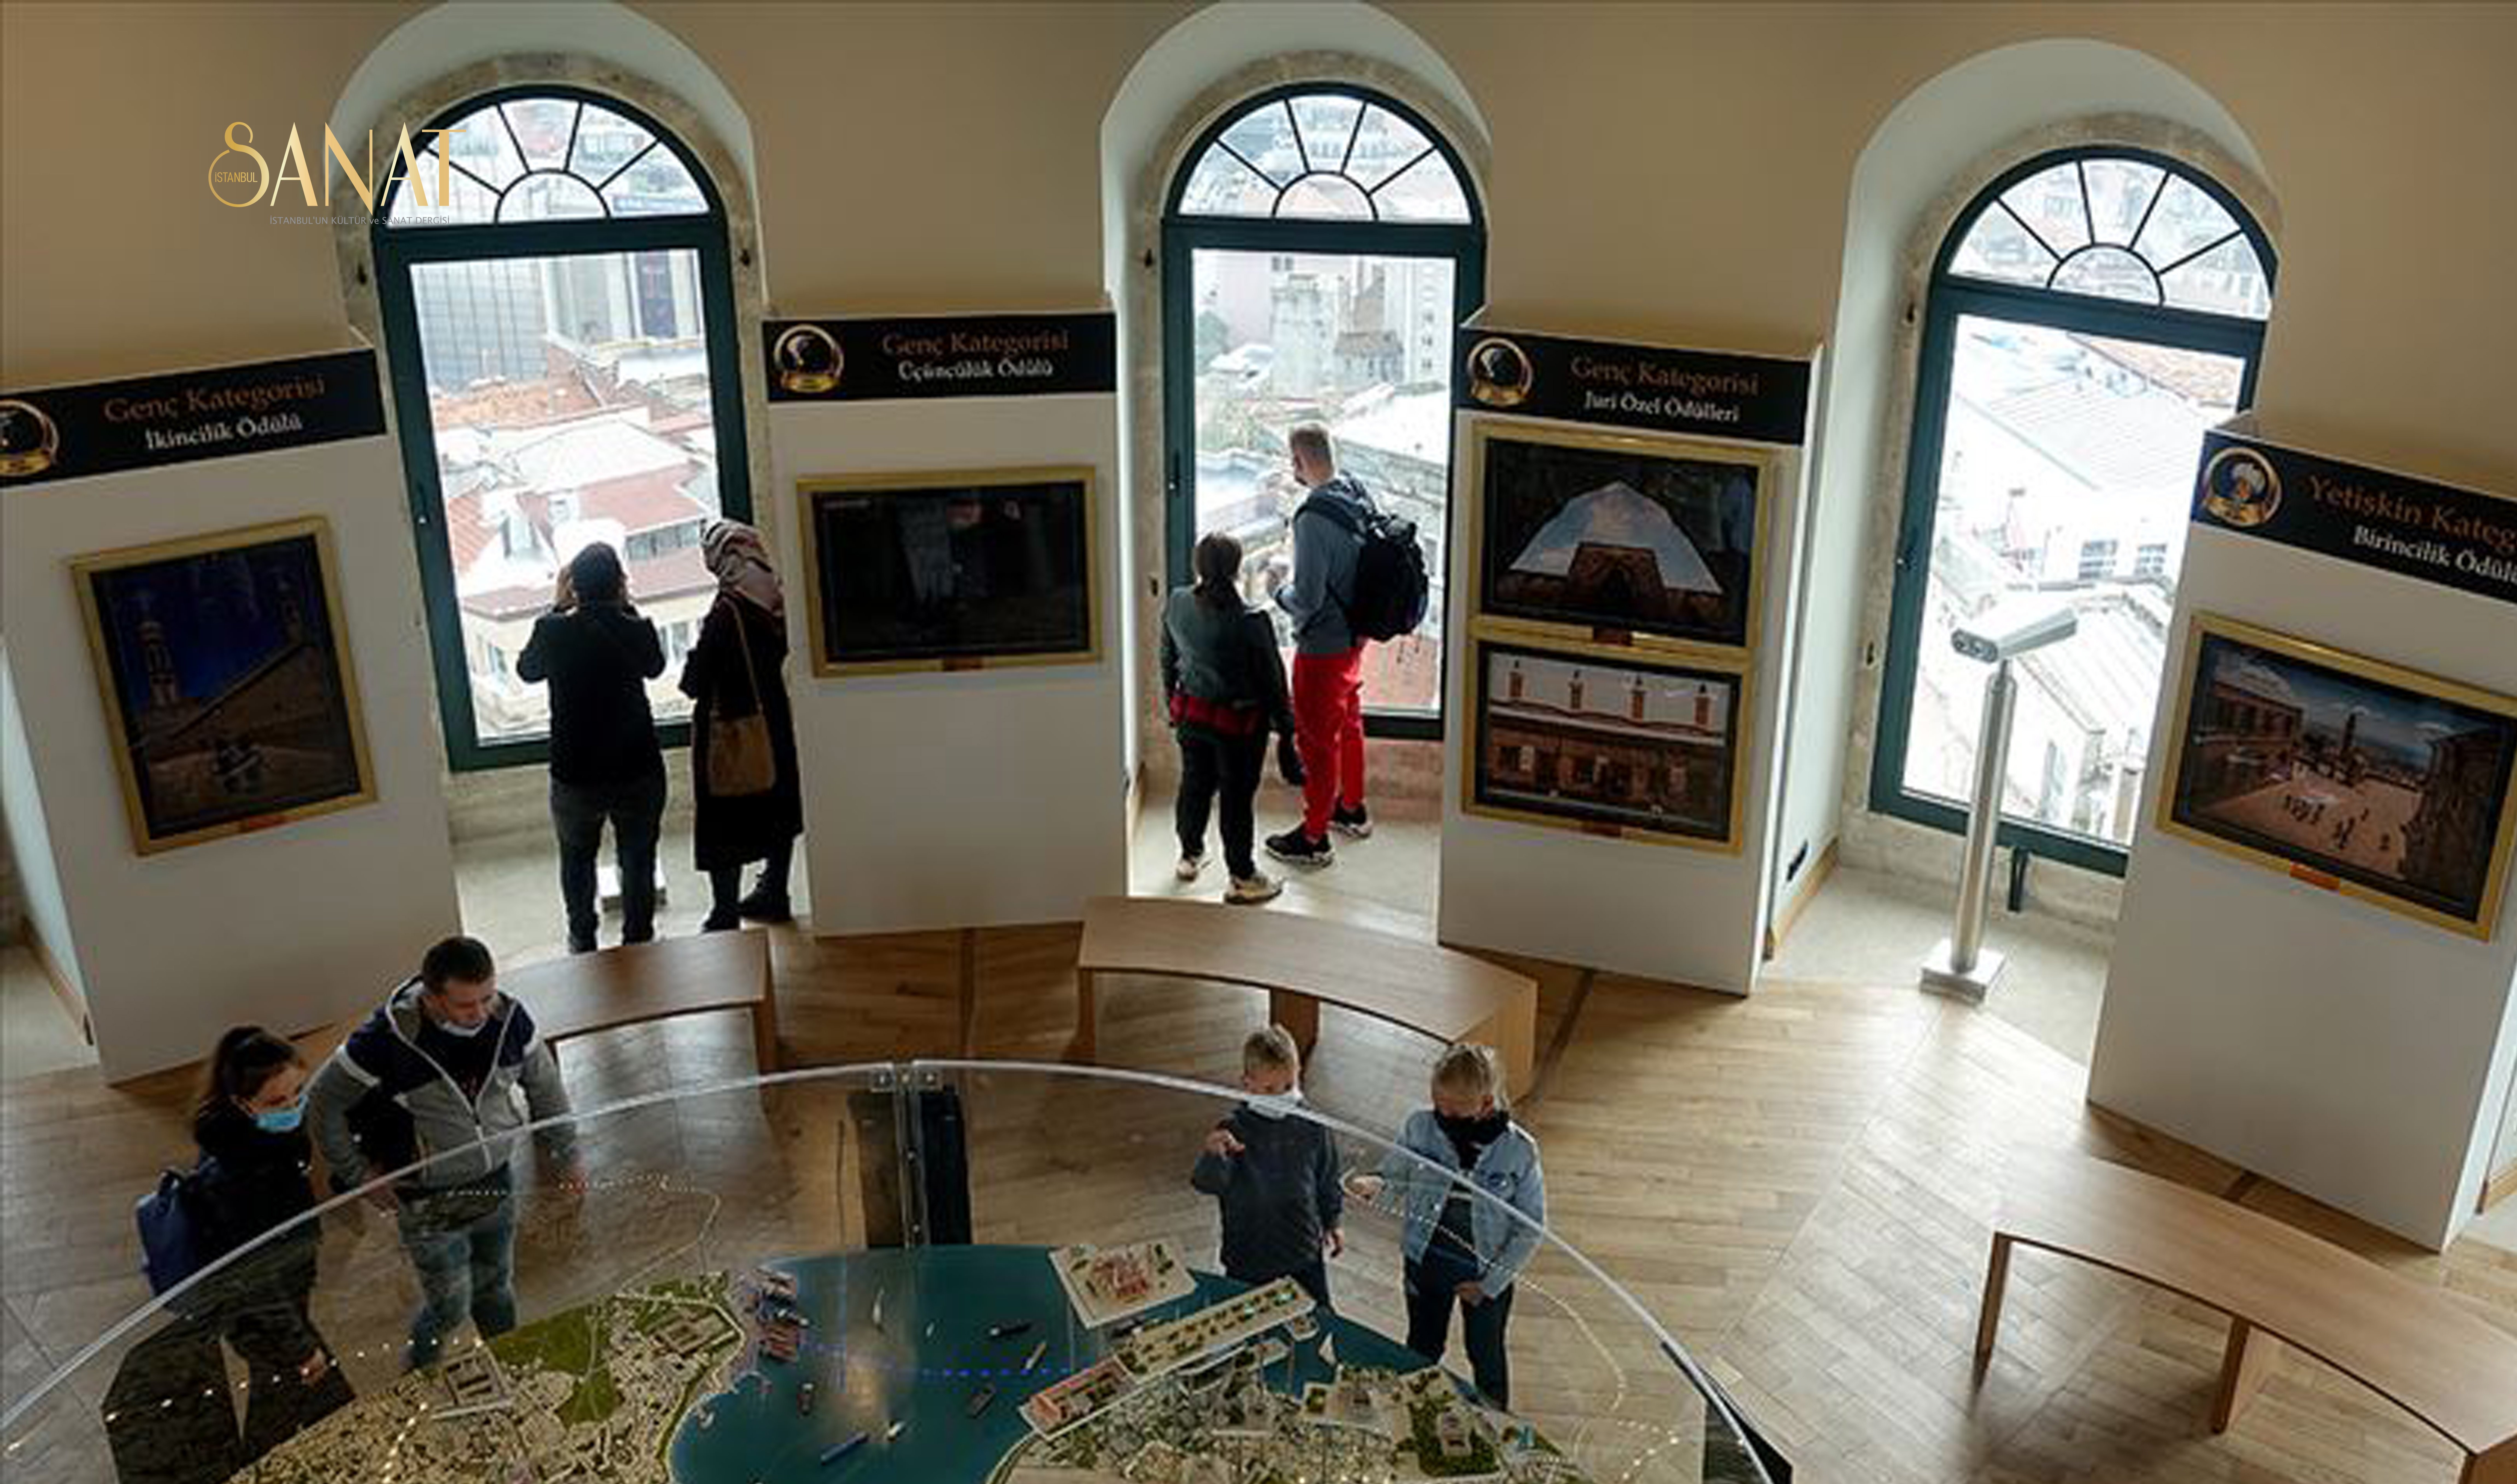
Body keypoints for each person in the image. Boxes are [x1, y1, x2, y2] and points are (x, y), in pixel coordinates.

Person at [304, 936, 581, 1370]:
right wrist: (358, 1174)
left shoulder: (510, 1020)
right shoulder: (384, 1039)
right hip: (427, 1196)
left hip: (495, 1177)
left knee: (497, 1287)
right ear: (432, 999)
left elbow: (546, 1088)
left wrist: (568, 1154)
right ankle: (418, 1375)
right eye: (466, 1005)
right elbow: (322, 1103)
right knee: (450, 1303)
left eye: (487, 997)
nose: (481, 1014)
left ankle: (513, 1368)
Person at [1344, 1043, 1545, 1409]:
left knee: (1486, 1357)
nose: (1442, 1115)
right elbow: (1395, 1177)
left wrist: (1490, 1284)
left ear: (1485, 1104)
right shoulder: (1420, 1127)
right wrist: (1375, 1186)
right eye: (1438, 1103)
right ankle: (1410, 1412)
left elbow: (1531, 1228)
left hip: (1484, 1277)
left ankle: (1496, 1423)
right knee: (1422, 1346)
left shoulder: (1520, 1152)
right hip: (1426, 1264)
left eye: (1454, 1110)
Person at [191, 1028, 354, 1460]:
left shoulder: (269, 1138)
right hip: (260, 1310)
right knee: (333, 1405)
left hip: (283, 1294)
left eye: (299, 1093)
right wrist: (302, 1346)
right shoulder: (233, 1176)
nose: (294, 1109)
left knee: (276, 1399)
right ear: (241, 1103)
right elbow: (254, 1275)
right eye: (277, 1102)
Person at [516, 542, 666, 954]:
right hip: (637, 765)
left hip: (575, 770)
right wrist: (626, 607)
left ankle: (582, 936)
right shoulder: (638, 627)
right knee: (638, 856)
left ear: (574, 587)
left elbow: (527, 671)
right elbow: (655, 667)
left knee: (577, 857)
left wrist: (556, 607)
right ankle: (639, 936)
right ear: (620, 583)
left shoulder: (553, 630)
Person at [1162, 531, 1302, 906]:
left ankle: (1189, 857)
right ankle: (1241, 877)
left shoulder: (1177, 602)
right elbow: (1274, 683)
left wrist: (1170, 706)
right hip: (1239, 726)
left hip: (1190, 712)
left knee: (1194, 785)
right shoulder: (1252, 620)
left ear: (1198, 566)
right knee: (1237, 800)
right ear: (1237, 568)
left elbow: (1167, 658)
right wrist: (1287, 731)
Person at [682, 520, 803, 931]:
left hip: (731, 728)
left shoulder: (726, 611)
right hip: (775, 720)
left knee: (724, 823)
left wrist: (691, 659)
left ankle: (724, 910)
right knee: (778, 812)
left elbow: (694, 683)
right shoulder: (777, 601)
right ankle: (775, 892)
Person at [1267, 424, 1377, 868]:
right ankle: (1351, 807)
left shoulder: (1312, 517)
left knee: (1316, 741)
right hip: (1356, 635)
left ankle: (1314, 837)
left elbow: (1307, 600)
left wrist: (1278, 591)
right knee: (1349, 723)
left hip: (1323, 646)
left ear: (1298, 461)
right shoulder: (1355, 492)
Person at [1190, 1027, 1344, 1308]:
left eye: (1289, 1086)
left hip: (1303, 1249)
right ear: (1248, 1084)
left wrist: (1332, 1220)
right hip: (1250, 1255)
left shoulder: (1312, 1125)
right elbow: (1208, 1184)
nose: (1282, 1096)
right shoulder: (1233, 1130)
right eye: (1270, 1090)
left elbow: (1327, 1176)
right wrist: (1213, 1154)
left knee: (1319, 1318)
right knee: (1248, 1325)